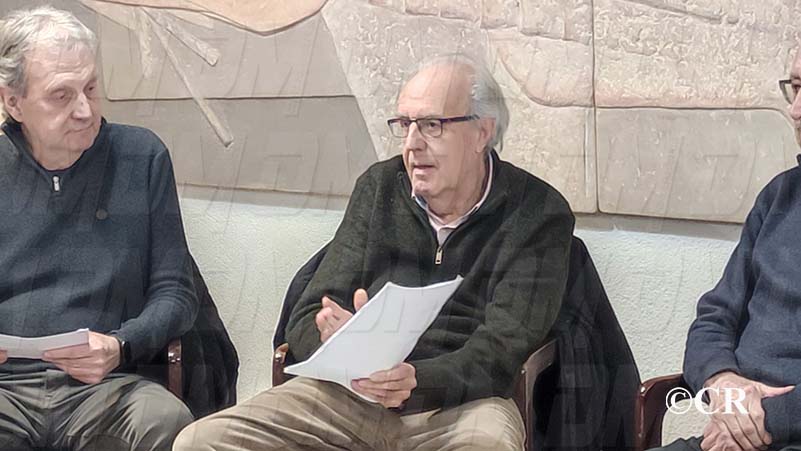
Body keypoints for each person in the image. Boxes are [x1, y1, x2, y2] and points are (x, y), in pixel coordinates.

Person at [174, 53, 575, 450]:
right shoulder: (380, 187)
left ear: (481, 132)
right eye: (404, 124)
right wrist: (342, 344)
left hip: (461, 403)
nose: (412, 144)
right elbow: (309, 311)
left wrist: (416, 381)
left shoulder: (537, 213)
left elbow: (502, 349)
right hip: (351, 393)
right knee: (201, 441)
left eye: (431, 125)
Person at [0, 6, 198, 450]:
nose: (85, 110)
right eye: (61, 96)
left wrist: (120, 345)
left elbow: (176, 293)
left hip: (108, 386)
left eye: (90, 88)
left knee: (168, 422)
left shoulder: (141, 157)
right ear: (13, 102)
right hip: (5, 389)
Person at [650, 48, 801, 451]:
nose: (795, 111)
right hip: (736, 430)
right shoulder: (779, 196)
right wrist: (722, 383)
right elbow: (715, 318)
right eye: (796, 87)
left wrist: (763, 421)